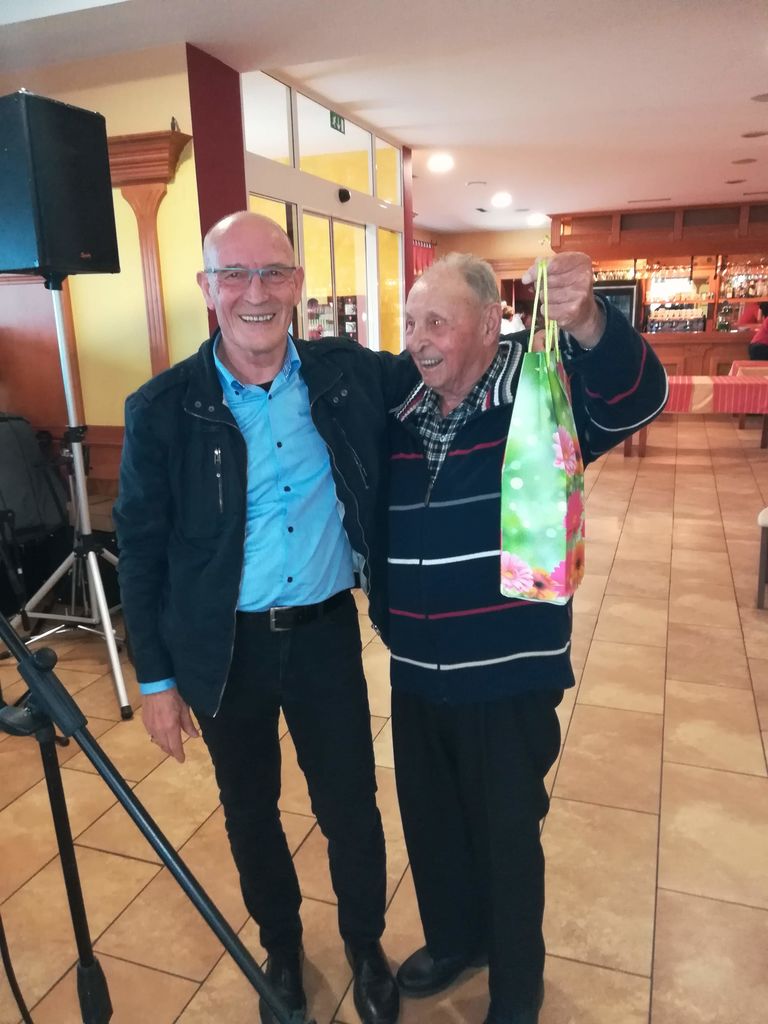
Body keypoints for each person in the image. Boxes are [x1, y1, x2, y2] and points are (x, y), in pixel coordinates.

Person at [114, 211, 414, 1024]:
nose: (257, 292)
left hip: (324, 636)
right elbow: (139, 550)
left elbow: (443, 366)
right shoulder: (162, 408)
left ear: (298, 285)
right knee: (249, 809)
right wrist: (157, 682)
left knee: (350, 805)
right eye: (235, 275)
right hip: (224, 648)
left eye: (274, 272)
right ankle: (281, 947)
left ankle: (365, 945)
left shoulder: (347, 376)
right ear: (207, 288)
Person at [386, 252, 668, 1024]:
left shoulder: (544, 394)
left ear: (488, 325)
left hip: (506, 668)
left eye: (437, 322)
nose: (419, 338)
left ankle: (517, 984)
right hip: (416, 666)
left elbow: (638, 396)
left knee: (505, 831)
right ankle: (456, 940)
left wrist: (590, 323)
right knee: (432, 819)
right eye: (410, 323)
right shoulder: (402, 406)